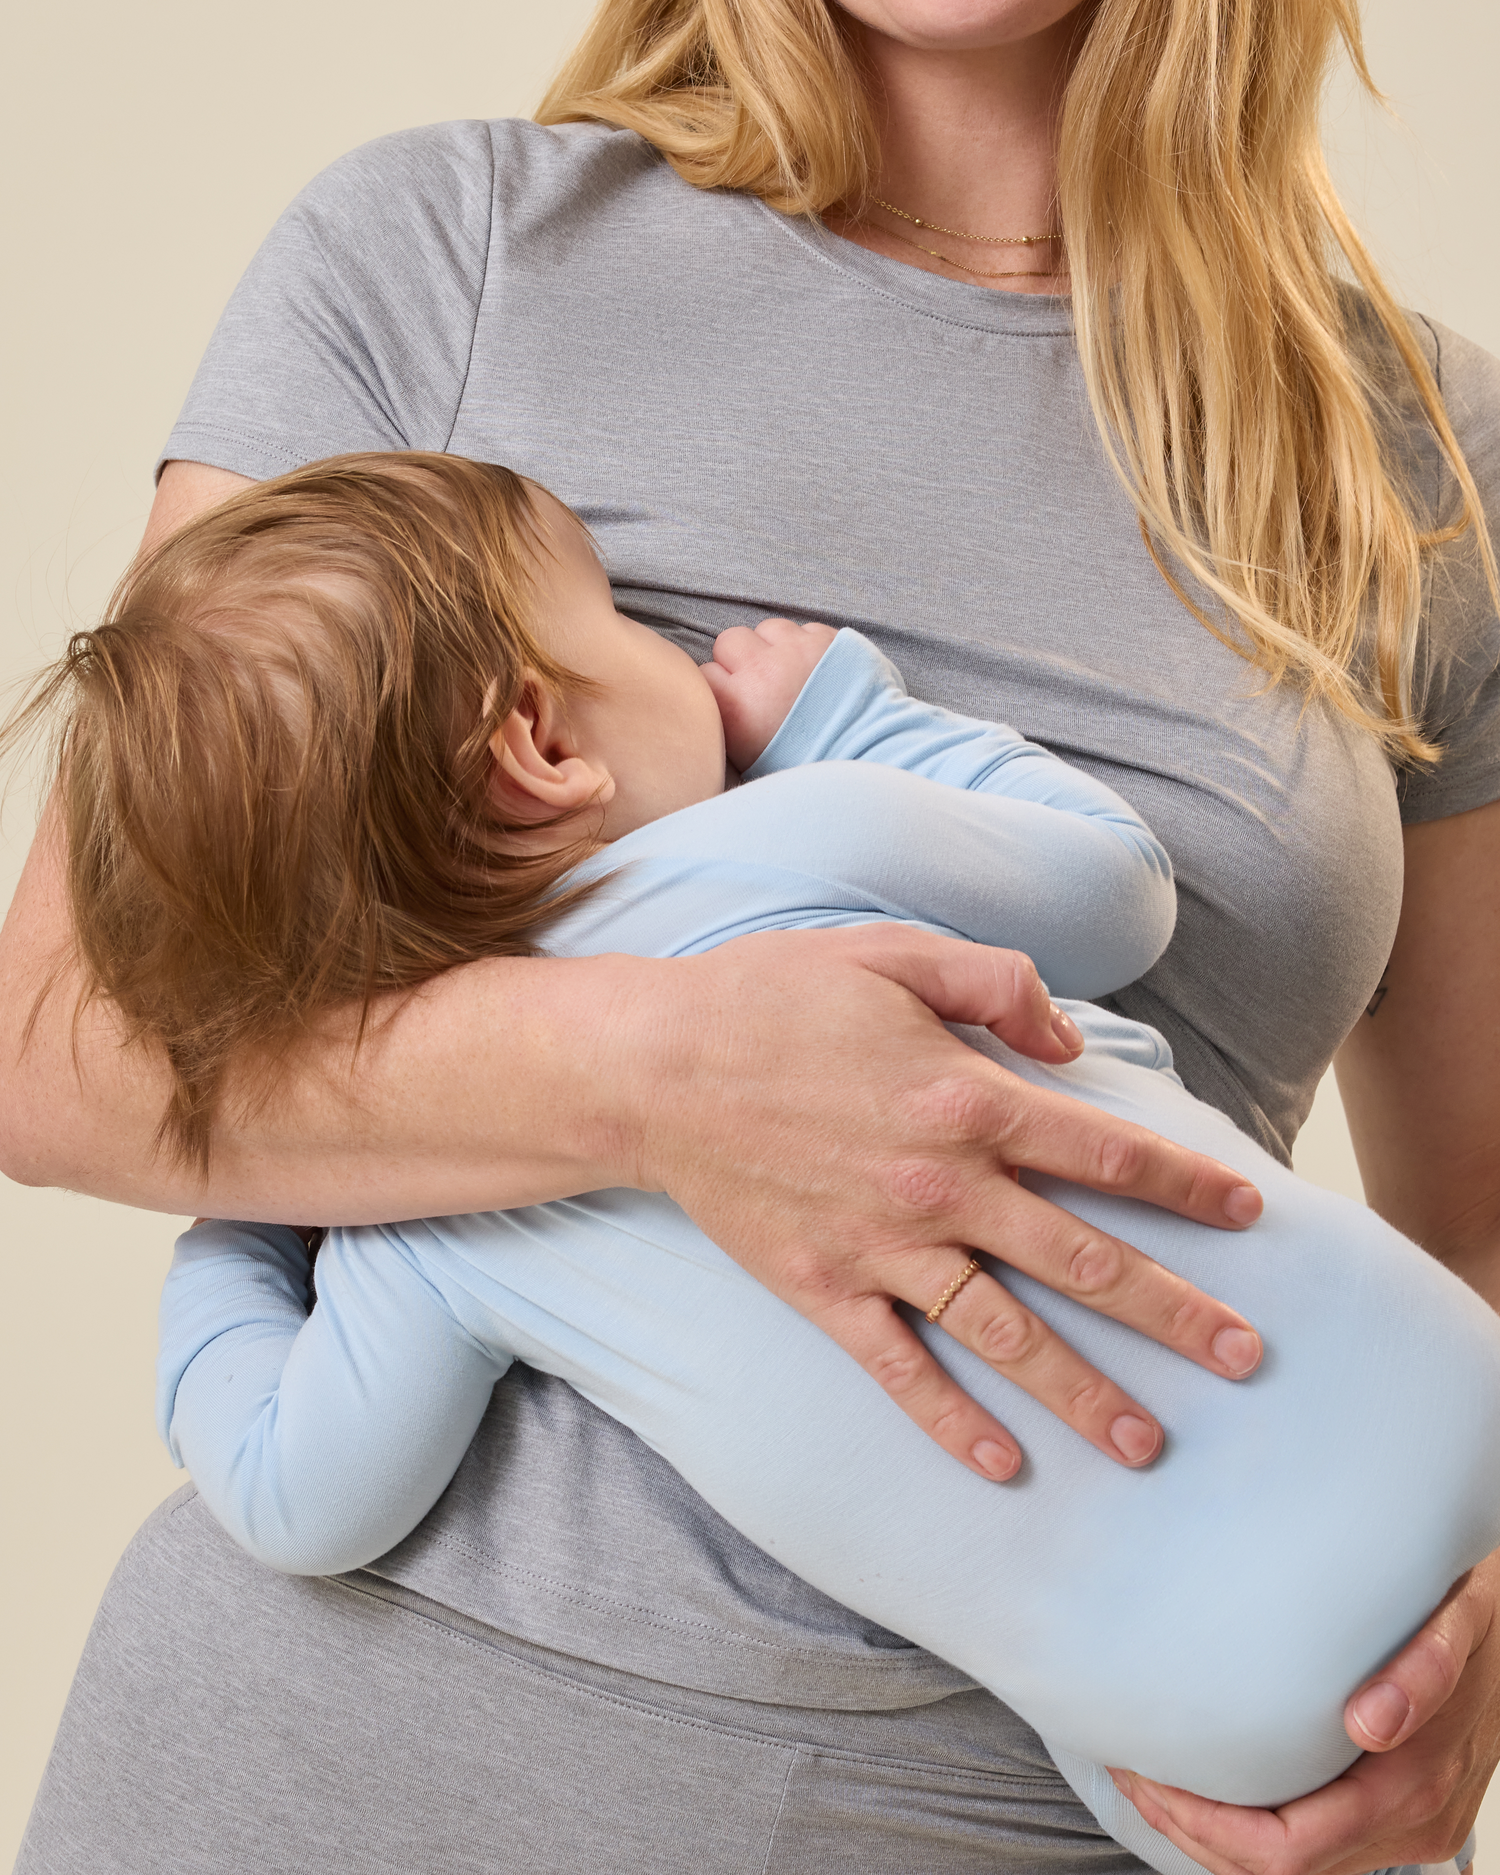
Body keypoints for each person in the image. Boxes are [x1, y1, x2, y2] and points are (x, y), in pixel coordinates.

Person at [5, 2, 1499, 1872]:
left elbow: (1476, 1219)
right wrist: (659, 1080)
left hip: (1063, 1807)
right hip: (311, 1782)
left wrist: (1476, 1642)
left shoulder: (1422, 454)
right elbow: (61, 1035)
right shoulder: (451, 251)